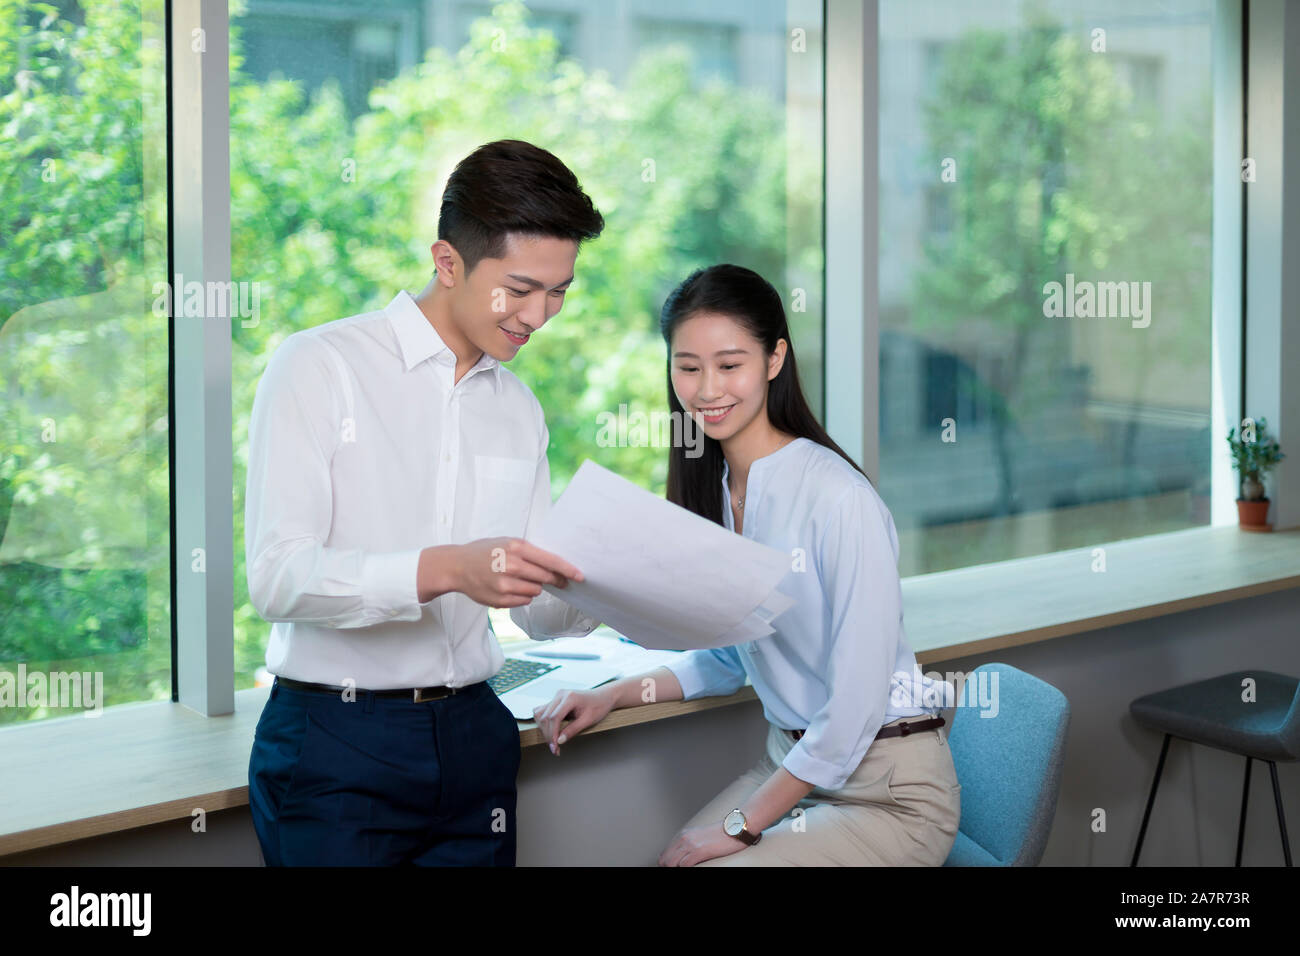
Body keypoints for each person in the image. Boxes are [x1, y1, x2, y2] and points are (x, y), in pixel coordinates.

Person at [246, 139, 604, 866]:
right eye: (521, 288)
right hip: (336, 742)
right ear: (448, 263)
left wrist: (608, 578)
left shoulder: (520, 408)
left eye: (560, 290)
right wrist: (445, 568)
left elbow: (536, 617)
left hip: (477, 736)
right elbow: (277, 578)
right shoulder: (319, 367)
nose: (540, 316)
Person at [531, 263, 961, 866]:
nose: (707, 391)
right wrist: (613, 695)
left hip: (888, 790)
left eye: (729, 365)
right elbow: (731, 656)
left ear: (774, 359)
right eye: (688, 367)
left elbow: (857, 703)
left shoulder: (838, 497)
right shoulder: (718, 488)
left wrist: (742, 825)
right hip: (793, 764)